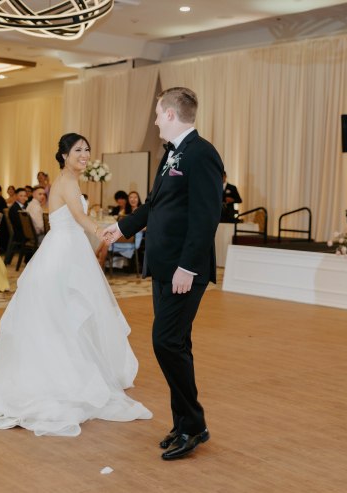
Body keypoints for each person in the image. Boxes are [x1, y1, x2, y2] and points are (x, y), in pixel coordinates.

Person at [0, 133, 151, 436]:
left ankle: (73, 364)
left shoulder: (68, 180)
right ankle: (61, 372)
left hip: (68, 249)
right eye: (78, 150)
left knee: (67, 312)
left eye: (87, 150)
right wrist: (102, 232)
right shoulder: (67, 182)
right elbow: (79, 217)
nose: (84, 154)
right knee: (63, 311)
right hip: (63, 252)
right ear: (63, 155)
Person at [103, 87, 223, 460]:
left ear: (170, 114)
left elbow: (206, 217)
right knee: (176, 344)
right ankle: (184, 423)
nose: (155, 121)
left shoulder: (202, 153)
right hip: (163, 267)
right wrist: (121, 227)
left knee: (166, 342)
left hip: (183, 270)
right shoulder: (170, 154)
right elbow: (155, 206)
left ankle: (194, 423)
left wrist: (188, 266)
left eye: (157, 114)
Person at [5, 187, 29, 265]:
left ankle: (28, 258)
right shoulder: (14, 208)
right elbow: (19, 224)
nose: (23, 197)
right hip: (19, 233)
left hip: (23, 231)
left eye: (25, 196)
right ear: (16, 196)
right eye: (21, 195)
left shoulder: (25, 206)